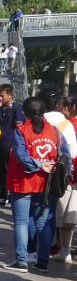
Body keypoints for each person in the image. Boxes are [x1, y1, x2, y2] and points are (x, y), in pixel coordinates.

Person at [4, 96, 68, 274]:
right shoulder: (55, 131)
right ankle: (42, 262)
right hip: (47, 184)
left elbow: (21, 155)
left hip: (23, 181)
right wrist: (49, 166)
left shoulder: (21, 130)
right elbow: (65, 154)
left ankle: (21, 261)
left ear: (25, 113)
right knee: (43, 224)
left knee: (21, 222)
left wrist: (38, 165)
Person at [47, 97, 77, 262]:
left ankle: (65, 250)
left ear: (71, 107)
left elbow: (70, 151)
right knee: (69, 215)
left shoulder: (69, 124)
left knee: (65, 213)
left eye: (63, 106)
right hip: (73, 173)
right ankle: (65, 250)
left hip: (70, 174)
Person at [0, 84, 24, 204]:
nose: (0, 98)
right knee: (0, 170)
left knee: (9, 170)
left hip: (10, 143)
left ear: (10, 95)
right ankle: (2, 195)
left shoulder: (17, 108)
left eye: (2, 96)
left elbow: (19, 127)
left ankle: (11, 196)